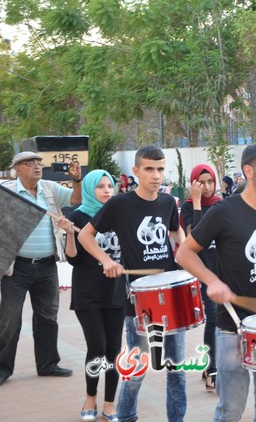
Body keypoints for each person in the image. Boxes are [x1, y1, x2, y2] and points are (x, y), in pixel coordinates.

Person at [176, 142, 256, 422]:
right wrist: (211, 281)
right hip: (233, 326)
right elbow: (185, 253)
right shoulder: (223, 211)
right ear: (249, 171)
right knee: (231, 411)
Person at [78, 146, 187, 422]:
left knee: (176, 369)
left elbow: (175, 231)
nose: (156, 175)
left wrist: (184, 253)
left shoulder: (167, 202)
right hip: (140, 300)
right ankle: (127, 416)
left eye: (160, 169)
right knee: (137, 369)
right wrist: (106, 260)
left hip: (171, 295)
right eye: (149, 169)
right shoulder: (119, 204)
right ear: (136, 171)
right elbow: (86, 236)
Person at [0, 151, 82, 386]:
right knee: (9, 320)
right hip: (16, 268)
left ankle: (48, 364)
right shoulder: (8, 192)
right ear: (17, 168)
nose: (37, 166)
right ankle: (3, 368)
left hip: (46, 265)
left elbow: (75, 200)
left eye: (39, 162)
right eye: (30, 163)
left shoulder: (48, 188)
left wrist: (77, 180)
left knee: (48, 317)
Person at [57, 170, 125, 422]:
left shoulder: (120, 214)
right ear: (89, 190)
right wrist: (71, 233)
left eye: (110, 186)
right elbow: (73, 259)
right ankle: (90, 398)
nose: (107, 190)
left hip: (117, 291)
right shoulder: (79, 215)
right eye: (100, 187)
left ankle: (109, 404)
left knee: (114, 350)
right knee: (97, 346)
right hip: (88, 292)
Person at [180, 164, 222, 391]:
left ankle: (214, 365)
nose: (206, 187)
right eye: (201, 182)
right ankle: (212, 367)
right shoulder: (187, 208)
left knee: (224, 321)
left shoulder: (221, 205)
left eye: (210, 182)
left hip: (223, 271)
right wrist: (196, 203)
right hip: (204, 271)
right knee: (213, 319)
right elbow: (194, 240)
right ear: (193, 183)